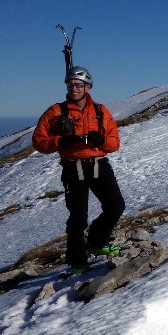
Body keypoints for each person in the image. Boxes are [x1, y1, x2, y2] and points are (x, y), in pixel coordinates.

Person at [32, 66, 125, 273]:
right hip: (73, 167)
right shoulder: (56, 111)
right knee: (78, 217)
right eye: (70, 84)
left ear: (88, 87)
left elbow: (114, 143)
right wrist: (61, 141)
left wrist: (100, 140)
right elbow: (38, 142)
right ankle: (77, 261)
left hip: (99, 164)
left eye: (78, 84)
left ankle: (97, 243)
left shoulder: (100, 111)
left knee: (115, 206)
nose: (73, 88)